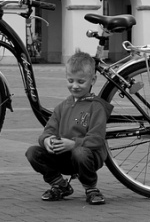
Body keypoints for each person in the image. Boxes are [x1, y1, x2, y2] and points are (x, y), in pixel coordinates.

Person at [26, 50, 113, 205]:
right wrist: (47, 141)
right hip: (63, 156)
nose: (74, 86)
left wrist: (73, 144)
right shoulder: (62, 106)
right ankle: (60, 184)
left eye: (81, 82)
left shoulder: (96, 107)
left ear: (92, 80)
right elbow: (48, 130)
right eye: (70, 80)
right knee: (33, 153)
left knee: (79, 152)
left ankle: (91, 188)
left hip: (87, 156)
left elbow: (97, 139)